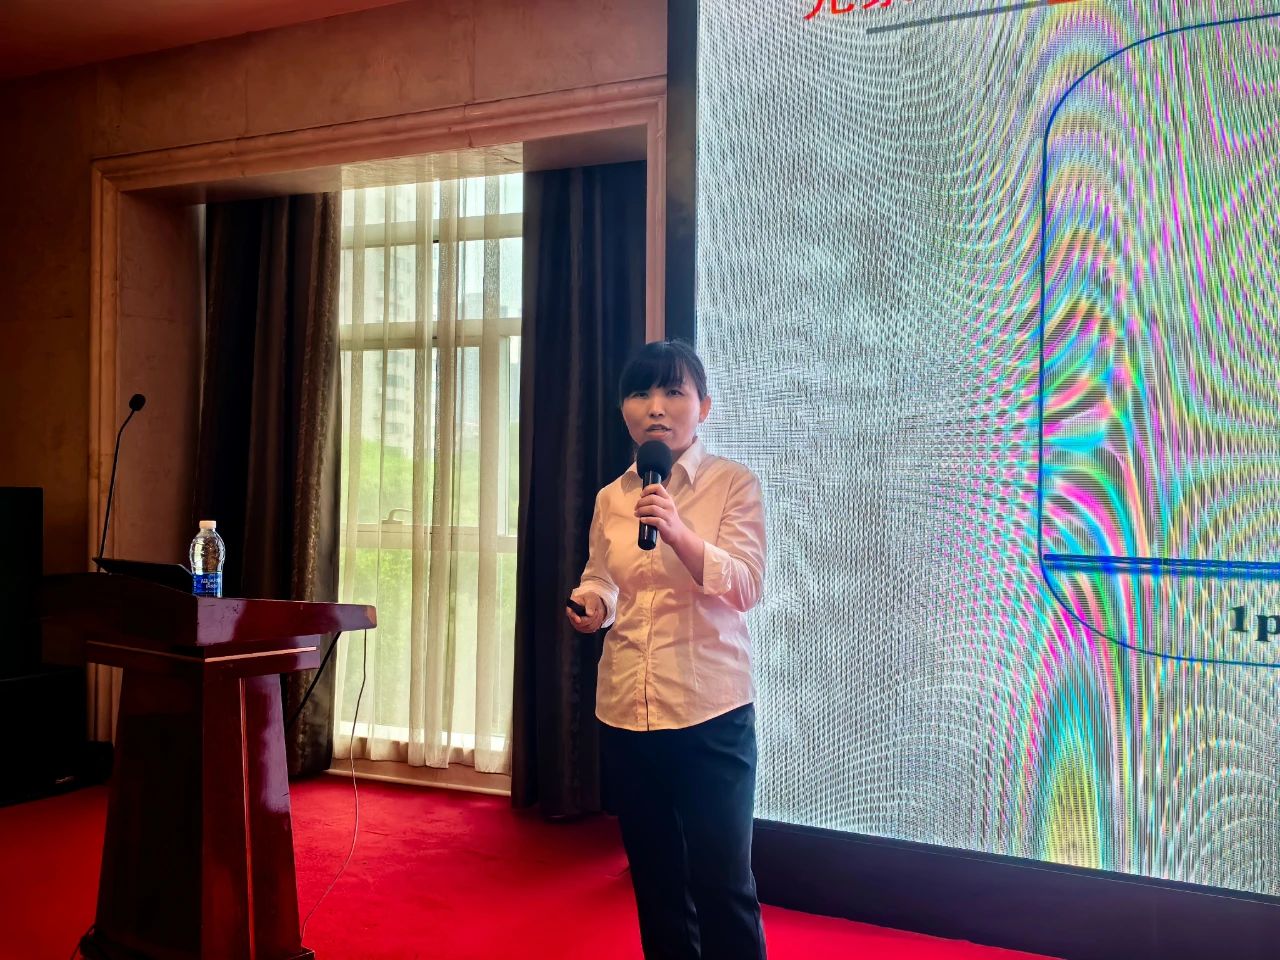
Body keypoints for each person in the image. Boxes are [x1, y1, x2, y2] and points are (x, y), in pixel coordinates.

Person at [567, 339, 768, 960]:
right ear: (624, 409)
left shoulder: (733, 484)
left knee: (722, 884)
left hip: (711, 712)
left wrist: (678, 531)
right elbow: (603, 575)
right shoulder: (612, 497)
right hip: (627, 711)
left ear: (703, 407)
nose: (655, 406)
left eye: (673, 391)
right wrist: (594, 604)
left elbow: (747, 586)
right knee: (656, 885)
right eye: (640, 392)